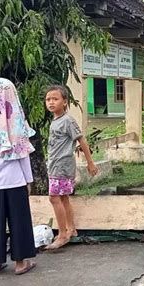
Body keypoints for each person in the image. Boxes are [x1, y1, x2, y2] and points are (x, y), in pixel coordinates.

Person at [0, 78, 36, 276]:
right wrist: (28, 180)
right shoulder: (18, 122)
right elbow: (24, 155)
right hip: (16, 179)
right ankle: (20, 263)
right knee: (19, 221)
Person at [44, 85, 98, 250]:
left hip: (62, 166)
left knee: (54, 198)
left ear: (65, 102)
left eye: (55, 99)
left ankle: (61, 235)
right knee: (63, 198)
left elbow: (81, 140)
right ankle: (71, 228)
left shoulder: (67, 120)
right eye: (48, 99)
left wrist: (90, 162)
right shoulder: (56, 120)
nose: (51, 102)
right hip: (55, 165)